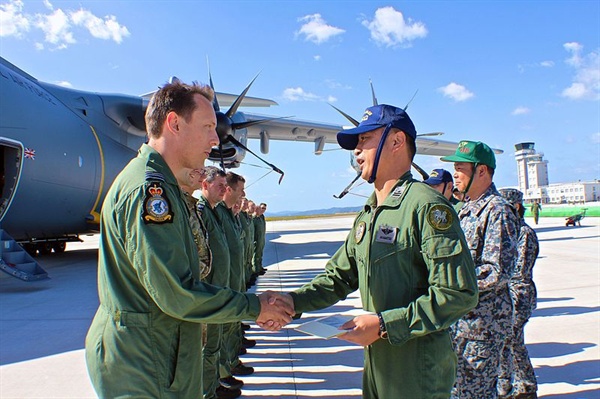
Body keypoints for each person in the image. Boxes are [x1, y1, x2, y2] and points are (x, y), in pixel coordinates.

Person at [84, 81, 293, 398]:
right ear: (174, 123)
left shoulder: (164, 188)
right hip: (145, 364)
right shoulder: (150, 193)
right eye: (208, 126)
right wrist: (254, 307)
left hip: (158, 353)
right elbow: (176, 292)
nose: (216, 138)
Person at [271, 104, 478, 399]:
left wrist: (383, 326)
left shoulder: (425, 206)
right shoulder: (369, 213)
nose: (356, 150)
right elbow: (338, 277)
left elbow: (458, 293)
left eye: (365, 139)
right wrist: (290, 301)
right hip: (378, 363)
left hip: (416, 369)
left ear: (396, 141)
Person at [440, 140, 519, 399]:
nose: (456, 176)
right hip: (462, 322)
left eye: (460, 169)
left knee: (475, 394)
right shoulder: (467, 209)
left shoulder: (497, 211)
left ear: (481, 171)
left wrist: (448, 281)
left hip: (483, 326)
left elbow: (496, 271)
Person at [197, 166, 242, 399]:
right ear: (205, 185)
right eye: (220, 186)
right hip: (211, 291)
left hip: (222, 288)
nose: (225, 190)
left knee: (215, 342)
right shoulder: (202, 210)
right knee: (209, 346)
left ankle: (214, 385)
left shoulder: (214, 211)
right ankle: (207, 392)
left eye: (226, 186)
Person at [498, 188, 539, 399]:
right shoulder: (510, 230)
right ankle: (510, 386)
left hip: (519, 292)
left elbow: (519, 270)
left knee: (511, 340)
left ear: (515, 206)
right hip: (509, 291)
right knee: (508, 341)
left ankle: (525, 386)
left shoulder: (524, 233)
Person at [252, 202, 268, 276]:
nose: (263, 210)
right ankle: (256, 270)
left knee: (260, 253)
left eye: (264, 208)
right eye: (261, 208)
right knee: (255, 255)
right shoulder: (254, 218)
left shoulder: (262, 217)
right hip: (256, 239)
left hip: (261, 238)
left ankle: (259, 267)